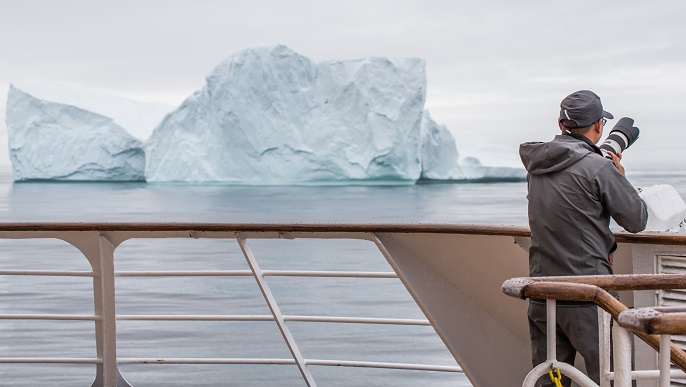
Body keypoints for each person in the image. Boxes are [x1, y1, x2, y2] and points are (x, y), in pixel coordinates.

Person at [518, 90, 648, 386]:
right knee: (613, 379)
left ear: (561, 123)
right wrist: (619, 175)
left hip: (542, 291)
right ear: (599, 126)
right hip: (588, 294)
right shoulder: (599, 167)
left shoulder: (536, 166)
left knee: (548, 380)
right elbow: (637, 220)